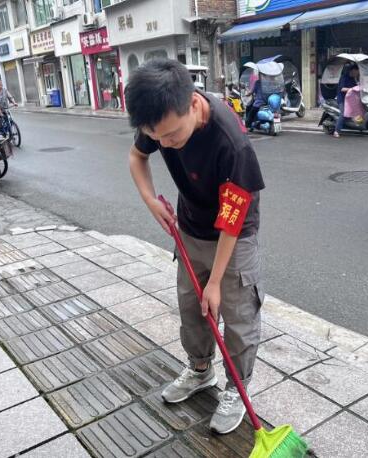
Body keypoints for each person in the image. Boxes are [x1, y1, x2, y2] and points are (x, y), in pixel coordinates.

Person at [126, 59, 265, 435]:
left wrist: (216, 281)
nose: (165, 144)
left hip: (234, 237)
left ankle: (237, 389)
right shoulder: (160, 117)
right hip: (190, 225)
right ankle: (201, 370)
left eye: (172, 136)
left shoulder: (231, 143)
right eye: (157, 138)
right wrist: (150, 200)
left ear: (193, 105)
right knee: (192, 306)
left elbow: (233, 219)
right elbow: (137, 157)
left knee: (235, 316)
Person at [334, 64, 359, 138]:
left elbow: (356, 87)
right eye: (357, 72)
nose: (357, 73)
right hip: (342, 99)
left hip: (350, 99)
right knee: (343, 113)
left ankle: (357, 124)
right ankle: (336, 131)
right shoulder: (344, 77)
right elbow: (342, 89)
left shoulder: (353, 79)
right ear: (353, 70)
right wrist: (351, 89)